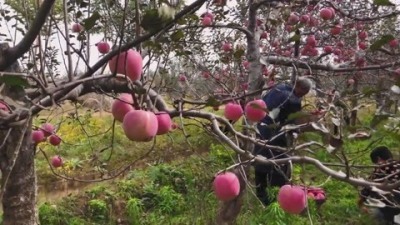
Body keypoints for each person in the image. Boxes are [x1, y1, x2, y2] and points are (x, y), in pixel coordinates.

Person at [253, 77, 313, 206]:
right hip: (276, 133)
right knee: (278, 162)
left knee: (260, 159)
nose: (303, 95)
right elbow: (293, 122)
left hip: (261, 129)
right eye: (304, 92)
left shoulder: (278, 87)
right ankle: (276, 196)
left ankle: (260, 194)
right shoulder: (292, 98)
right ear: (300, 87)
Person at [359, 146, 400, 225]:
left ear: (378, 159)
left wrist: (361, 201)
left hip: (392, 204)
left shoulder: (381, 168)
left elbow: (368, 186)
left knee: (376, 211)